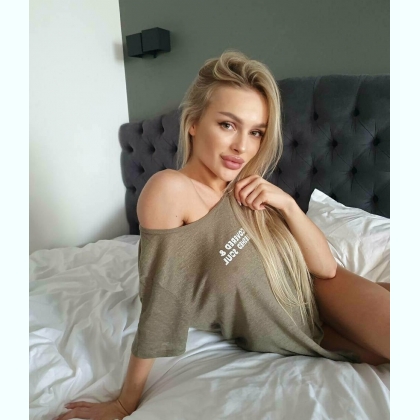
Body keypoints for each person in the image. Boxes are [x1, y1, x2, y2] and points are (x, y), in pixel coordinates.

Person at [55, 50, 390, 420]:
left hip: (327, 296)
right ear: (194, 122)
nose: (242, 147)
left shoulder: (247, 189)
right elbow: (162, 302)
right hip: (306, 332)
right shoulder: (170, 190)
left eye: (256, 132)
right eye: (228, 125)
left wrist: (288, 206)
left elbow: (326, 270)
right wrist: (125, 402)